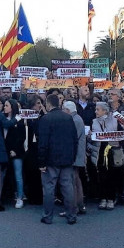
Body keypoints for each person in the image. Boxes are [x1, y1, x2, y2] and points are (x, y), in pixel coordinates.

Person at [38, 94, 78, 225]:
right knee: (68, 188)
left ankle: (48, 216)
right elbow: (74, 139)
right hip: (67, 158)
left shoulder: (45, 119)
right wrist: (73, 156)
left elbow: (42, 143)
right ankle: (71, 215)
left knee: (49, 188)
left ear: (48, 104)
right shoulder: (68, 118)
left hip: (50, 160)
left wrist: (41, 162)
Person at [89, 102, 124, 210]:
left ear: (105, 111)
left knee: (112, 175)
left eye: (98, 109)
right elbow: (91, 138)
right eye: (96, 109)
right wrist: (89, 136)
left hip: (111, 151)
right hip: (99, 151)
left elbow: (121, 134)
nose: (96, 112)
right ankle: (103, 198)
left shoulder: (114, 120)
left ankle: (111, 198)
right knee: (101, 175)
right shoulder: (94, 122)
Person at [62, 101, 86, 214]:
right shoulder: (77, 119)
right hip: (77, 153)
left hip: (74, 154)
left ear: (67, 110)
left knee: (73, 181)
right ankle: (79, 205)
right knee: (76, 180)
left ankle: (74, 207)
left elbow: (72, 138)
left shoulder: (74, 120)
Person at [3, 99, 26, 208]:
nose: (4, 107)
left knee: (18, 175)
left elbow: (22, 137)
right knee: (2, 174)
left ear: (12, 107)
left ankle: (20, 197)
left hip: (17, 152)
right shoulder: (2, 119)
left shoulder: (19, 119)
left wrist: (15, 150)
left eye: (6, 105)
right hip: (4, 151)